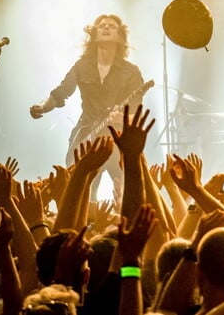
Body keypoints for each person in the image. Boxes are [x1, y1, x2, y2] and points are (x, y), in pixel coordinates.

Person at [30, 14, 146, 199]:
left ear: (119, 36)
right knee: (82, 194)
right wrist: (43, 107)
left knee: (126, 194)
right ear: (95, 34)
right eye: (101, 25)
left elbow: (136, 114)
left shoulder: (131, 72)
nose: (106, 27)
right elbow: (61, 92)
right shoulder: (82, 66)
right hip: (86, 136)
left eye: (112, 26)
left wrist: (121, 118)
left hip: (118, 139)